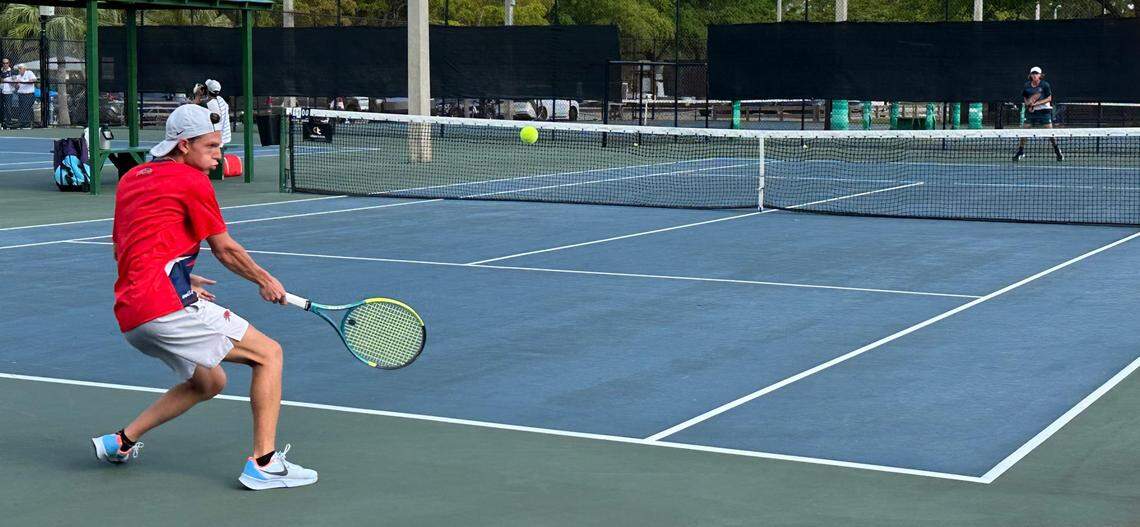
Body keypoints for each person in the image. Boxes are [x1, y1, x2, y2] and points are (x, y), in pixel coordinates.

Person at [91, 104, 318, 491]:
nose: (218, 155)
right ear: (183, 145)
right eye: (211, 146)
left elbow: (127, 248)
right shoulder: (191, 181)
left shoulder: (132, 179)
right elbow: (225, 249)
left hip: (131, 315)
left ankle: (119, 442)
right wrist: (265, 280)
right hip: (163, 308)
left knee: (208, 383)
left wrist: (182, 274)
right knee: (269, 354)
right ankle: (264, 463)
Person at [1014, 66, 1063, 162]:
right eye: (1033, 73)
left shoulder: (1045, 85)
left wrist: (1036, 103)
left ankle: (1057, 150)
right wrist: (1029, 105)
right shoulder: (1026, 85)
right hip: (1031, 112)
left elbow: (1049, 99)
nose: (1034, 75)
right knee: (1024, 131)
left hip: (1044, 112)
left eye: (1036, 73)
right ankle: (1020, 151)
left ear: (1040, 75)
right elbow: (1025, 98)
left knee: (1050, 134)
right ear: (1030, 75)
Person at [203, 79, 231, 146]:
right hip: (220, 140)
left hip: (213, 140)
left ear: (207, 90)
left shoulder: (208, 105)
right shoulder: (222, 102)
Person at [0, 58, 13, 128]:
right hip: (1, 91)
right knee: (1, 107)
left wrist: (4, 80)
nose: (5, 64)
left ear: (9, 63)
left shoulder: (12, 71)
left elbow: (13, 80)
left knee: (8, 108)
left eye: (7, 63)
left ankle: (9, 123)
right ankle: (1, 122)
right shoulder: (1, 71)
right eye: (4, 63)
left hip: (8, 92)